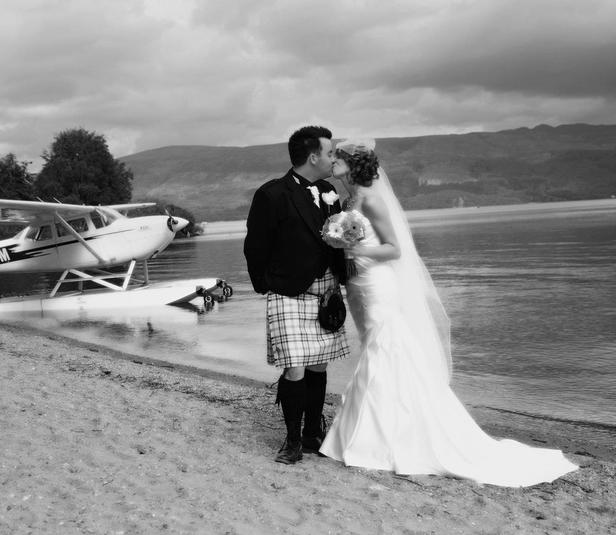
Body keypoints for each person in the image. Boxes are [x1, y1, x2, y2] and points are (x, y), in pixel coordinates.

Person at [318, 139, 578, 486]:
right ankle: (377, 432)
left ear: (352, 164)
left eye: (338, 156)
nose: (333, 160)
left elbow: (395, 249)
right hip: (357, 285)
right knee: (374, 348)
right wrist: (341, 249)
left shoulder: (373, 200)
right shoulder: (348, 201)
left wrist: (355, 251)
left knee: (386, 348)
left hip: (378, 285)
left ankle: (382, 438)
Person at [244, 125, 351, 465]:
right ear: (313, 157)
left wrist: (341, 278)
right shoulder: (272, 194)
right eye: (330, 152)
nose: (333, 158)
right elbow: (255, 246)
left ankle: (312, 433)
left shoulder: (329, 191)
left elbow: (336, 240)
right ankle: (291, 441)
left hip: (325, 292)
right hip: (288, 292)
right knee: (295, 369)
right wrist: (267, 284)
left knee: (318, 365)